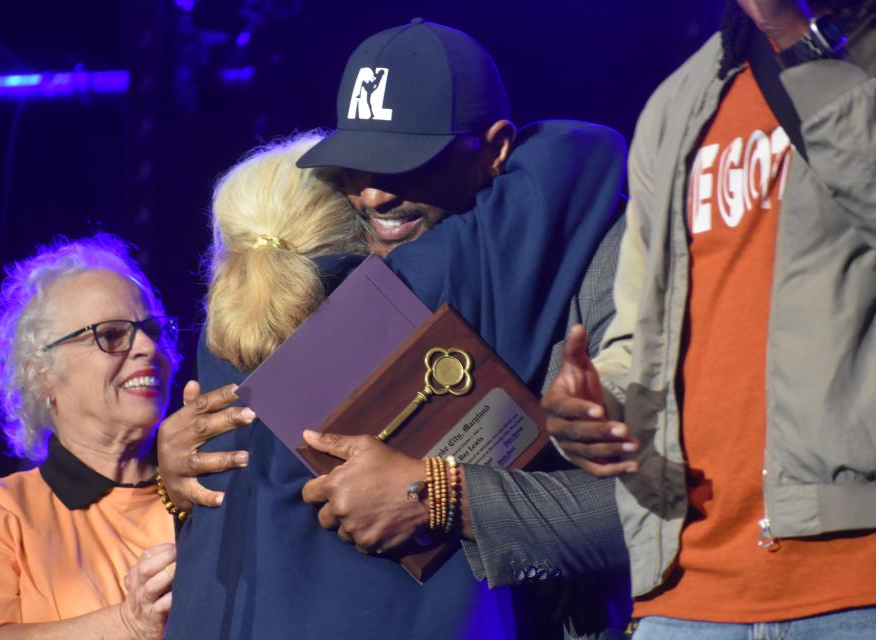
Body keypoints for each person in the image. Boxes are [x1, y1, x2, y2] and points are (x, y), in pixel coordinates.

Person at [162, 20, 631, 640]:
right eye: (354, 164)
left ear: (495, 151)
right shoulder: (314, 286)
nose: (375, 193)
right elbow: (577, 158)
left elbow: (660, 504)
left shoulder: (600, 258)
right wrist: (177, 481)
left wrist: (444, 496)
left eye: (408, 162)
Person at [544, 0, 876, 637]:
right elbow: (638, 336)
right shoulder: (677, 103)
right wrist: (601, 408)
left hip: (865, 583)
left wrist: (798, 42)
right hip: (687, 598)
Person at [0, 234, 181, 639]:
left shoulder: (211, 494)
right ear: (41, 374)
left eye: (153, 330)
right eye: (112, 335)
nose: (149, 348)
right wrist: (128, 625)